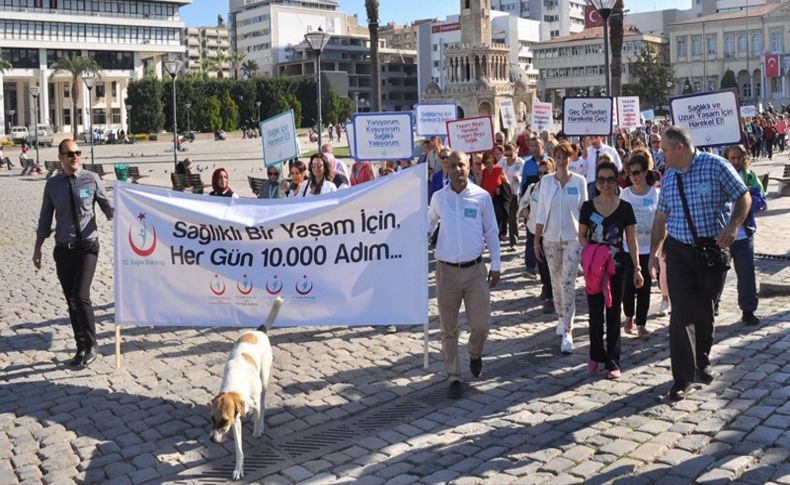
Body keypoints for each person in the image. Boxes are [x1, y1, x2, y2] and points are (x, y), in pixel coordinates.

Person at [648, 126, 751, 401]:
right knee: (681, 313)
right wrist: (653, 253)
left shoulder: (716, 166)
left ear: (680, 148)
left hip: (710, 252)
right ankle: (682, 377)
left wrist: (733, 226)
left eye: (665, 149)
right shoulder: (668, 178)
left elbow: (743, 196)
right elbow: (660, 218)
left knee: (705, 310)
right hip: (679, 252)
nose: (662, 154)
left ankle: (701, 360)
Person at [33, 139, 114, 368]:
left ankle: (91, 345)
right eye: (69, 154)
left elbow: (106, 206)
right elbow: (45, 219)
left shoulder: (91, 178)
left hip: (88, 246)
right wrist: (38, 248)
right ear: (61, 157)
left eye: (77, 153)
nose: (75, 157)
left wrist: (118, 213)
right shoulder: (52, 186)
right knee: (71, 301)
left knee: (81, 295)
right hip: (63, 250)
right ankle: (80, 348)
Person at [428, 150, 501, 399]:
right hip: (446, 272)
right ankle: (454, 376)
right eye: (452, 165)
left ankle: (474, 352)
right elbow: (428, 226)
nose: (457, 169)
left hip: (475, 271)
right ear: (446, 168)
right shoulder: (439, 198)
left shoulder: (482, 197)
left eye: (462, 165)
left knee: (481, 325)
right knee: (448, 329)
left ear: (470, 167)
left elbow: (491, 231)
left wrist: (497, 264)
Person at [579, 161, 642, 379]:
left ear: (616, 182)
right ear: (596, 183)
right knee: (595, 314)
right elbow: (582, 235)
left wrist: (638, 268)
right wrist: (594, 253)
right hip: (595, 269)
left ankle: (613, 361)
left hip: (617, 268)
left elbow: (631, 241)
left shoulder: (625, 208)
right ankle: (596, 354)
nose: (605, 184)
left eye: (610, 179)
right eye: (601, 180)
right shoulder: (588, 207)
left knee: (614, 314)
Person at [534, 142, 588, 354]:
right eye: (558, 156)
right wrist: (536, 240)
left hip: (573, 238)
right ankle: (560, 316)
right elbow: (540, 213)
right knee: (555, 282)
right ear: (554, 158)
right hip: (550, 238)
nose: (562, 160)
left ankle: (568, 330)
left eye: (565, 156)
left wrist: (586, 238)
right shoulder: (546, 182)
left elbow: (584, 211)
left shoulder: (579, 181)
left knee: (567, 282)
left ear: (571, 158)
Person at [715, 145, 762, 325]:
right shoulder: (719, 176)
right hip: (721, 234)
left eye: (738, 158)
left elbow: (760, 201)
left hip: (744, 234)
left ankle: (748, 309)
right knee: (716, 274)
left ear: (744, 158)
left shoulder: (750, 177)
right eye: (732, 158)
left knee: (746, 274)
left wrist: (747, 198)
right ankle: (714, 304)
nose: (735, 162)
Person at [620, 149, 659, 339]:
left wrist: (657, 252)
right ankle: (629, 315)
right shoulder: (625, 194)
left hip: (648, 248)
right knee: (628, 286)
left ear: (645, 172)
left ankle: (642, 323)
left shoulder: (655, 194)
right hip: (629, 248)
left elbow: (662, 224)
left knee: (645, 288)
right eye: (630, 173)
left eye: (636, 172)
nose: (633, 176)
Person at [519, 159, 555, 312]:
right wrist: (524, 210)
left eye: (545, 172)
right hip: (535, 230)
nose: (542, 176)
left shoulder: (556, 188)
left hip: (551, 231)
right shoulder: (534, 187)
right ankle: (546, 286)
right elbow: (523, 202)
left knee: (549, 264)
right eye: (539, 173)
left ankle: (550, 294)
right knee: (540, 262)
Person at [480, 151, 510, 241]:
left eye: (489, 162)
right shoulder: (483, 172)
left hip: (498, 198)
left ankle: (501, 232)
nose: (488, 165)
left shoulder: (499, 170)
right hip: (487, 198)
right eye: (485, 163)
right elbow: (480, 184)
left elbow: (507, 183)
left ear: (493, 161)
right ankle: (492, 234)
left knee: (502, 215)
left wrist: (500, 187)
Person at [498, 143, 523, 250]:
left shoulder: (521, 162)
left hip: (515, 193)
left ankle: (514, 242)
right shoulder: (502, 162)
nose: (508, 158)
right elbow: (496, 171)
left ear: (515, 153)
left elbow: (524, 176)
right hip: (504, 193)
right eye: (506, 155)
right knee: (505, 216)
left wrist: (519, 178)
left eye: (510, 155)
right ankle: (502, 235)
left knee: (513, 218)